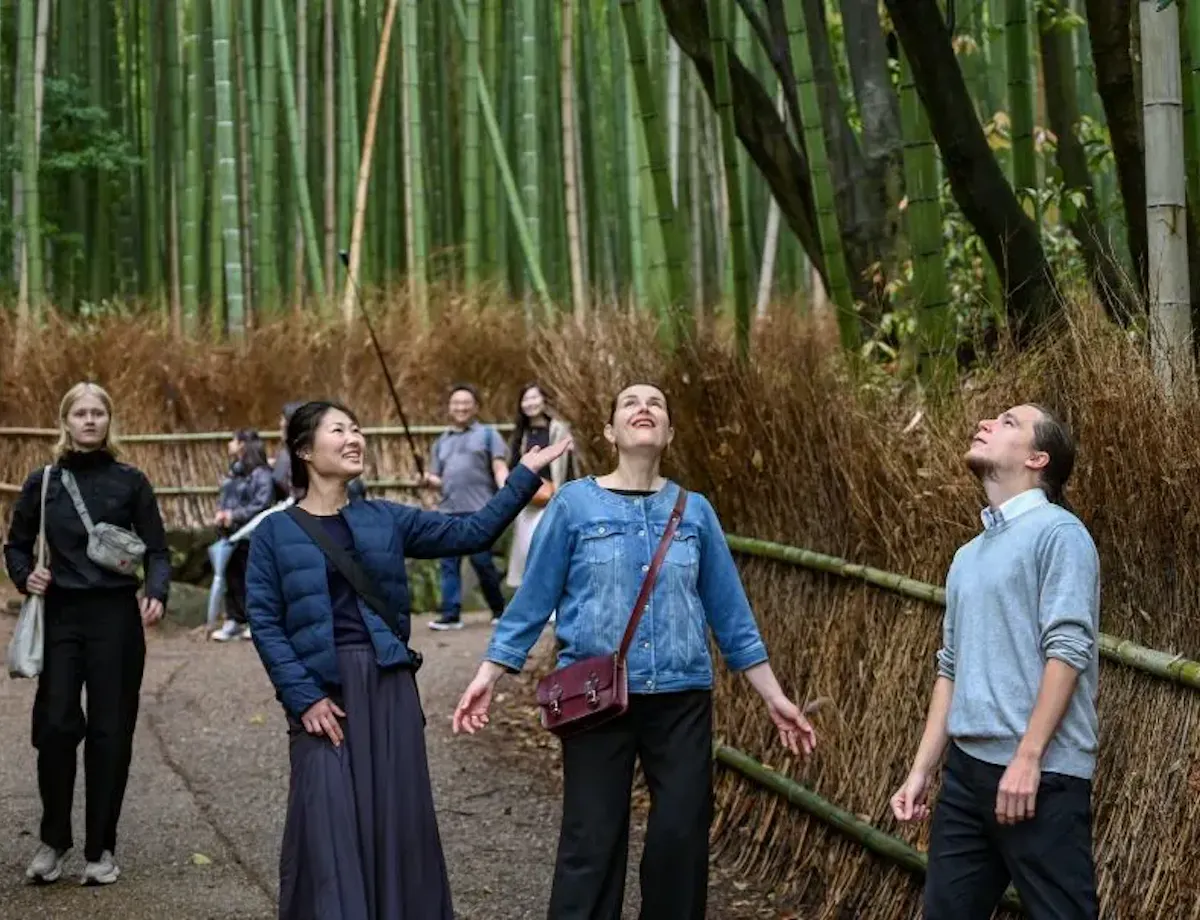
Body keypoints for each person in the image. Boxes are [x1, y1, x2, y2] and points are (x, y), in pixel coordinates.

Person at [452, 382, 817, 920]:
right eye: (629, 402)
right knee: (591, 842)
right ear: (609, 433)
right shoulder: (575, 504)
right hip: (595, 695)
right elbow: (532, 600)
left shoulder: (695, 512)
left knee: (680, 842)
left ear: (667, 433)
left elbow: (732, 616)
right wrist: (489, 674)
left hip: (681, 697)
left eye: (656, 405)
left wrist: (774, 696)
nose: (643, 408)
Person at [245, 399, 571, 920]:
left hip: (388, 686)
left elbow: (472, 533)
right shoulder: (274, 534)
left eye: (357, 428)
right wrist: (303, 697)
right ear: (305, 450)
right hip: (324, 695)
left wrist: (524, 477)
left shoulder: (384, 519)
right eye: (339, 430)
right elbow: (264, 622)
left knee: (398, 822)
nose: (355, 438)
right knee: (327, 823)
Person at [890, 404, 1100, 919]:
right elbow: (952, 667)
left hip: (1040, 779)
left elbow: (1068, 650)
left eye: (1008, 422)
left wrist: (1027, 758)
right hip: (966, 777)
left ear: (1037, 458)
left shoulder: (1060, 534)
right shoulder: (968, 555)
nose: (984, 423)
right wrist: (922, 771)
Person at [3, 382, 170, 887]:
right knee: (54, 727)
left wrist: (157, 591)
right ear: (66, 421)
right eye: (81, 413)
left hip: (116, 618)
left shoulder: (131, 482)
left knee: (109, 733)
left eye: (99, 412)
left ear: (109, 421)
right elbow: (15, 545)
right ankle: (54, 840)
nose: (90, 421)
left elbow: (158, 549)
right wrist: (23, 574)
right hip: (61, 618)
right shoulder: (43, 482)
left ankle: (102, 848)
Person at [421, 383, 510, 630]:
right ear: (450, 408)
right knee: (449, 565)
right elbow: (439, 479)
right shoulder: (441, 441)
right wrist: (429, 481)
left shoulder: (488, 434)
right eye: (456, 403)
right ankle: (450, 615)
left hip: (480, 509)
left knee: (483, 563)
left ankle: (499, 610)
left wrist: (507, 488)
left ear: (476, 407)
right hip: (448, 510)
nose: (461, 407)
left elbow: (499, 466)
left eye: (466, 403)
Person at [504, 382, 574, 592]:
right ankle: (532, 601)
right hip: (527, 500)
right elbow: (513, 465)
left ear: (544, 400)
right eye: (526, 399)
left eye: (535, 397)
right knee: (526, 551)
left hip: (553, 497)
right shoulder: (520, 433)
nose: (530, 403)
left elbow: (568, 466)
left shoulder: (558, 429)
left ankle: (553, 603)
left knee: (550, 549)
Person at [210, 429, 275, 642]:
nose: (229, 444)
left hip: (250, 533)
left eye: (233, 440)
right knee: (232, 577)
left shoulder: (262, 474)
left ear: (242, 445)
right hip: (230, 533)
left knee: (251, 578)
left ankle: (255, 621)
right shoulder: (235, 472)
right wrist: (222, 515)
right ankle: (234, 619)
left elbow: (261, 504)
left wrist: (234, 515)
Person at [273, 400, 366, 503]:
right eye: (338, 430)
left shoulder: (383, 513)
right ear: (305, 450)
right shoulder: (277, 519)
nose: (354, 440)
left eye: (355, 430)